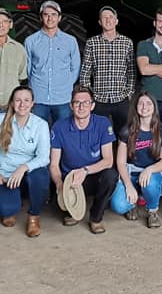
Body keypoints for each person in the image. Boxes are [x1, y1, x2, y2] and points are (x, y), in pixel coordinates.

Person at [50, 87, 118, 234]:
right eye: (77, 103)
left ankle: (96, 218)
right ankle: (74, 211)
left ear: (92, 105)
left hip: (92, 176)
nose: (81, 107)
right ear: (70, 105)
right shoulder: (59, 126)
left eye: (86, 103)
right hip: (70, 180)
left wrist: (85, 171)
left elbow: (108, 161)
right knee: (56, 201)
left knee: (111, 176)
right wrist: (59, 184)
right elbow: (54, 164)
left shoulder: (103, 123)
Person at [0, 86, 50, 237]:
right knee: (6, 211)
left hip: (28, 173)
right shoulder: (0, 120)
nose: (22, 104)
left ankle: (34, 216)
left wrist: (23, 168)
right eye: (18, 100)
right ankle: (12, 201)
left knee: (41, 176)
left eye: (26, 100)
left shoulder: (41, 125)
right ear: (11, 103)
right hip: (5, 175)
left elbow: (44, 157)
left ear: (33, 103)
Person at [110, 92, 162, 229]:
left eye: (149, 103)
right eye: (141, 103)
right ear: (136, 107)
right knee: (118, 205)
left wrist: (149, 170)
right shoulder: (126, 131)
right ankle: (133, 202)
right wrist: (128, 185)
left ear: (154, 107)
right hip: (131, 172)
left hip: (153, 174)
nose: (145, 107)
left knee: (149, 183)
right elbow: (120, 162)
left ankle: (152, 211)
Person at [79, 6, 136, 134]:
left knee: (123, 135)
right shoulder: (92, 43)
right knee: (98, 134)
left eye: (111, 17)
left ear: (116, 21)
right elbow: (85, 72)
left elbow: (131, 71)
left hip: (121, 99)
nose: (108, 20)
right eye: (104, 17)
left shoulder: (127, 43)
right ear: (100, 22)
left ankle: (120, 154)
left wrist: (129, 93)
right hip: (99, 100)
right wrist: (89, 95)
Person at [24, 0, 81, 126]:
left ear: (59, 18)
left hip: (62, 98)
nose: (50, 18)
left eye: (54, 14)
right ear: (41, 17)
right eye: (46, 14)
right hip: (38, 97)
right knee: (37, 134)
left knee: (63, 134)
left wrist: (64, 83)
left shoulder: (70, 41)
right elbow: (27, 67)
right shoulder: (31, 41)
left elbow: (75, 67)